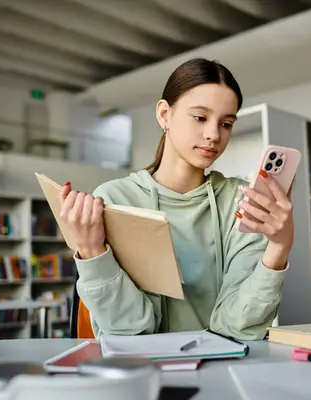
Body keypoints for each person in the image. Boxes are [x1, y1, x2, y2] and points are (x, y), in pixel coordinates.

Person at [59, 58, 295, 340]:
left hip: (225, 369)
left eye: (226, 123)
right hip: (144, 373)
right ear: (164, 114)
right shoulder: (113, 199)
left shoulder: (242, 200)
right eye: (200, 117)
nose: (213, 135)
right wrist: (92, 254)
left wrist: (279, 247)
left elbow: (238, 328)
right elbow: (132, 331)